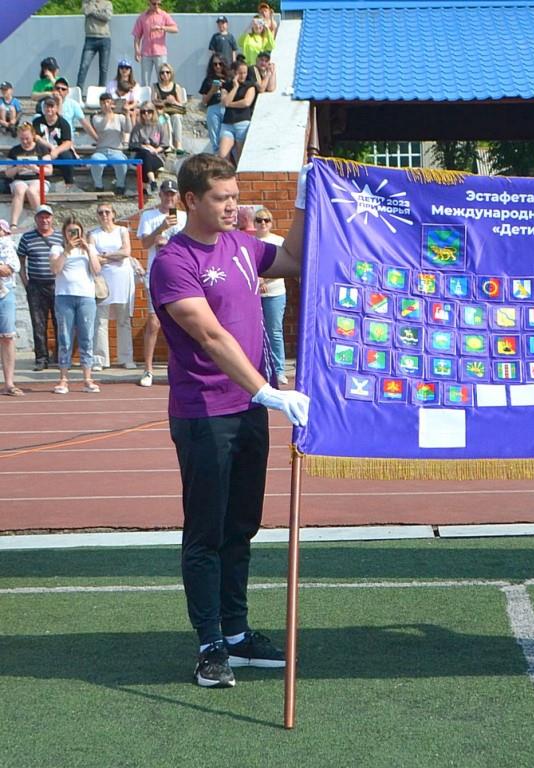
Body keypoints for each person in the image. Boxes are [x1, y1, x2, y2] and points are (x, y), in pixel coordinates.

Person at [148, 153, 309, 688]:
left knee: (241, 526)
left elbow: (293, 258)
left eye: (235, 197)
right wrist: (267, 389)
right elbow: (211, 335)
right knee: (207, 532)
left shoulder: (242, 245)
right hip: (206, 414)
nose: (232, 207)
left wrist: (305, 200)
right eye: (221, 198)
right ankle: (209, 644)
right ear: (191, 200)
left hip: (249, 411)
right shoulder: (173, 261)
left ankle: (237, 634)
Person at [136, 178, 186, 387]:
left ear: (178, 196)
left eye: (172, 194)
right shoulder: (148, 216)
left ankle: (179, 368)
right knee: (154, 322)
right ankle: (148, 370)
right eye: (166, 193)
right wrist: (161, 229)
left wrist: (169, 242)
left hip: (179, 276)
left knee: (180, 324)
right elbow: (145, 243)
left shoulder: (185, 217)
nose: (169, 197)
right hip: (156, 274)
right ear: (160, 195)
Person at [50, 216, 103, 394]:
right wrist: (67, 251)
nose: (73, 234)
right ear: (64, 233)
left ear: (82, 232)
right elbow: (55, 269)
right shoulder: (58, 248)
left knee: (86, 337)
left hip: (86, 297)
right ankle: (63, 378)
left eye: (76, 231)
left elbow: (97, 270)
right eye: (70, 231)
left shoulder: (89, 248)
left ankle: (87, 378)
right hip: (64, 297)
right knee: (64, 337)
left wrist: (88, 249)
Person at [89, 203, 135, 370]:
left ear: (113, 214)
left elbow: (126, 252)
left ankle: (126, 358)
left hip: (123, 279)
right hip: (102, 281)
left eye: (107, 212)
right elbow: (93, 257)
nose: (104, 215)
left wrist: (106, 255)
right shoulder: (93, 234)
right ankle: (100, 360)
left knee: (124, 320)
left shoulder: (122, 230)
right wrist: (116, 256)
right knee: (100, 322)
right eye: (100, 212)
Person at [18, 205, 61, 370]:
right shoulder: (27, 237)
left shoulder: (60, 236)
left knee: (60, 322)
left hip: (57, 285)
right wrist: (26, 282)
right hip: (36, 286)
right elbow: (21, 261)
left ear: (52, 218)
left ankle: (59, 357)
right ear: (36, 219)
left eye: (47, 217)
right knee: (38, 324)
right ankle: (41, 359)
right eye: (41, 217)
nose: (44, 220)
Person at [254, 207, 287, 385]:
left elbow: (284, 267)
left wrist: (264, 280)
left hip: (275, 293)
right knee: (256, 333)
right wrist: (258, 281)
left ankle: (279, 370)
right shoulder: (250, 242)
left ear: (271, 222)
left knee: (274, 331)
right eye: (259, 220)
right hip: (253, 295)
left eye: (266, 220)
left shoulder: (278, 241)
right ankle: (259, 371)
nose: (263, 223)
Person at [5, 122, 52, 230]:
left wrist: (35, 168)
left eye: (27, 138)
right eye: (22, 139)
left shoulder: (42, 149)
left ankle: (41, 221)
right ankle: (13, 224)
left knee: (32, 191)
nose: (25, 142)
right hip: (20, 180)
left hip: (38, 179)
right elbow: (8, 173)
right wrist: (18, 168)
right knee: (20, 190)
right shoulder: (14, 151)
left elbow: (49, 170)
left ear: (33, 136)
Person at [33, 96, 81, 192]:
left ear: (56, 108)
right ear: (43, 108)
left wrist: (56, 151)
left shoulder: (63, 123)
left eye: (52, 107)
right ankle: (38, 183)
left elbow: (68, 142)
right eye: (47, 106)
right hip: (42, 150)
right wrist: (50, 147)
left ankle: (69, 183)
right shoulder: (37, 121)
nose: (49, 109)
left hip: (59, 151)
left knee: (67, 157)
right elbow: (36, 137)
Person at [88, 92, 131, 194]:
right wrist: (107, 114)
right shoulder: (96, 117)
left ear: (112, 103)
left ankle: (120, 185)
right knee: (95, 160)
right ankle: (98, 186)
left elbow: (128, 129)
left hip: (116, 150)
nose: (105, 105)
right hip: (101, 150)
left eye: (107, 102)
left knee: (121, 162)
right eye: (103, 103)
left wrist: (127, 114)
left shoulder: (120, 117)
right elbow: (101, 128)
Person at [132, 0, 178, 87]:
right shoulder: (142, 17)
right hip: (146, 52)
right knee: (145, 80)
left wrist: (162, 28)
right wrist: (137, 50)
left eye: (159, 4)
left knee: (163, 78)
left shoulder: (163, 15)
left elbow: (175, 29)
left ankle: (163, 95)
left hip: (160, 52)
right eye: (154, 4)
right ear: (149, 3)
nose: (156, 6)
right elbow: (137, 36)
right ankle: (146, 95)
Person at [218, 60, 256, 164]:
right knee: (222, 155)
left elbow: (246, 102)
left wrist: (229, 104)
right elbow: (224, 101)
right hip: (227, 123)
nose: (243, 75)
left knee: (240, 157)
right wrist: (235, 87)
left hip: (242, 122)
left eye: (245, 73)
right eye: (240, 73)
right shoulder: (227, 86)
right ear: (234, 72)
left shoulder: (250, 86)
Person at [129, 101, 170, 196]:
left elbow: (165, 144)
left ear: (153, 112)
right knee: (145, 154)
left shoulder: (159, 126)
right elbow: (132, 145)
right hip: (140, 154)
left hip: (156, 155)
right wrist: (145, 147)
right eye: (143, 112)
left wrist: (155, 150)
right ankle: (152, 181)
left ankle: (144, 188)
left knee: (145, 160)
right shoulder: (137, 127)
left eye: (149, 111)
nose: (146, 114)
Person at [0, 218, 22, 396]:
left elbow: (12, 268)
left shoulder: (8, 246)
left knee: (7, 337)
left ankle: (8, 383)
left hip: (5, 293)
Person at [77, 0, 113, 91]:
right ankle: (79, 91)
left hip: (104, 38)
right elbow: (85, 11)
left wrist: (93, 12)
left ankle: (101, 92)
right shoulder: (86, 2)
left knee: (103, 68)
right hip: (90, 38)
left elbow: (107, 16)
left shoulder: (107, 3)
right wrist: (98, 10)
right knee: (84, 66)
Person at [152, 63, 187, 154]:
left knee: (176, 117)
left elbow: (181, 105)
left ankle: (178, 145)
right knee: (165, 118)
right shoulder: (155, 87)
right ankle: (168, 144)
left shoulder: (176, 87)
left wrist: (174, 101)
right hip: (161, 112)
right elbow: (153, 103)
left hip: (174, 111)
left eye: (167, 72)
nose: (165, 74)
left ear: (171, 73)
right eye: (162, 72)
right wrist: (165, 101)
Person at [199, 56, 229, 153]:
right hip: (213, 107)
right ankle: (217, 154)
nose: (218, 66)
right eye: (215, 64)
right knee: (215, 136)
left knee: (226, 134)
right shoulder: (208, 80)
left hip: (227, 108)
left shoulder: (229, 78)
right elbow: (204, 101)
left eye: (220, 64)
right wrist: (212, 90)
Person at [107, 60, 141, 125]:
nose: (124, 70)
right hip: (114, 107)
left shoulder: (135, 85)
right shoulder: (111, 83)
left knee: (135, 113)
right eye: (122, 67)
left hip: (128, 108)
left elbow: (135, 102)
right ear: (118, 69)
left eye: (127, 68)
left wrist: (129, 107)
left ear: (130, 70)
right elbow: (107, 98)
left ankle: (133, 130)